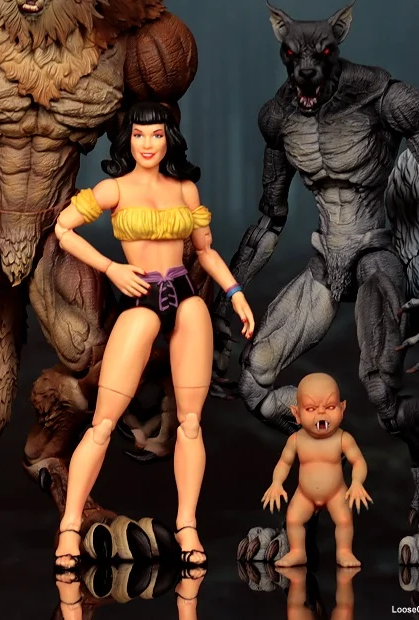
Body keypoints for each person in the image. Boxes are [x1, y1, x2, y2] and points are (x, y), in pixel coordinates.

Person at [53, 101, 255, 570]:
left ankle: (187, 526)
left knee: (191, 422)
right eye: (140, 135)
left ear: (169, 139)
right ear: (128, 140)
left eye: (157, 135)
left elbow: (205, 252)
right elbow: (64, 229)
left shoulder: (185, 189)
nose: (148, 144)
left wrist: (235, 292)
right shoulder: (114, 189)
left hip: (186, 299)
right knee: (103, 423)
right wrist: (111, 268)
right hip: (141, 300)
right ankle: (68, 527)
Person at [261, 372, 371, 567]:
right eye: (311, 408)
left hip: (336, 492)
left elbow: (358, 461)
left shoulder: (343, 438)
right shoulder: (296, 440)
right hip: (305, 494)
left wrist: (356, 482)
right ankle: (297, 552)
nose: (321, 414)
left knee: (344, 520)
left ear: (342, 409)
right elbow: (284, 463)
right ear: (297, 414)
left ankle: (344, 552)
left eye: (330, 407)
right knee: (293, 519)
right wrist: (276, 483)